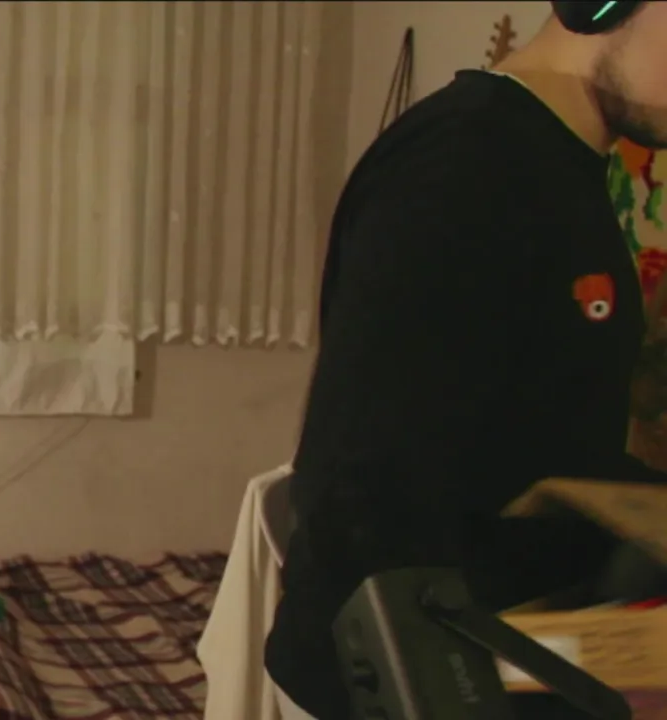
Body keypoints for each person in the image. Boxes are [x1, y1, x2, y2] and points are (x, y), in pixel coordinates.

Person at [263, 2, 667, 719]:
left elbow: (536, 438)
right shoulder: (465, 164)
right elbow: (367, 491)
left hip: (515, 643)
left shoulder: (560, 168)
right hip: (405, 677)